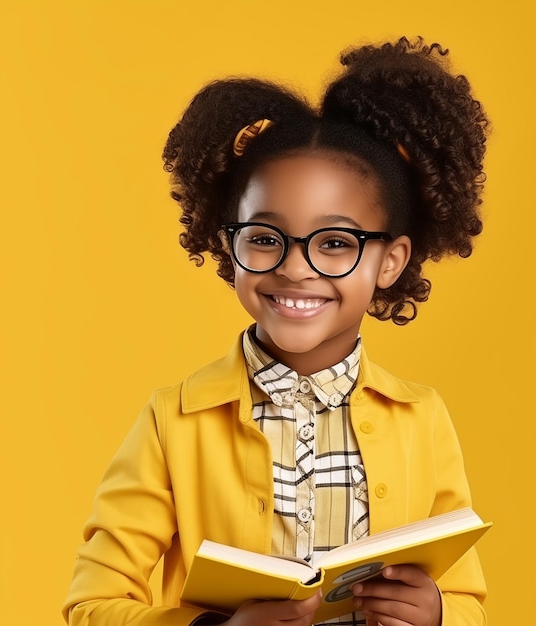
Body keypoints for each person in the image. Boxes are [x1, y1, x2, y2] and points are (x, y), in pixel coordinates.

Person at [63, 36, 490, 626]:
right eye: (265, 238)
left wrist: (440, 614)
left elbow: (468, 598)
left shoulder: (423, 419)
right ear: (227, 243)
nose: (295, 266)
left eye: (336, 242)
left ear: (390, 261)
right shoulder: (172, 423)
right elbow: (91, 606)